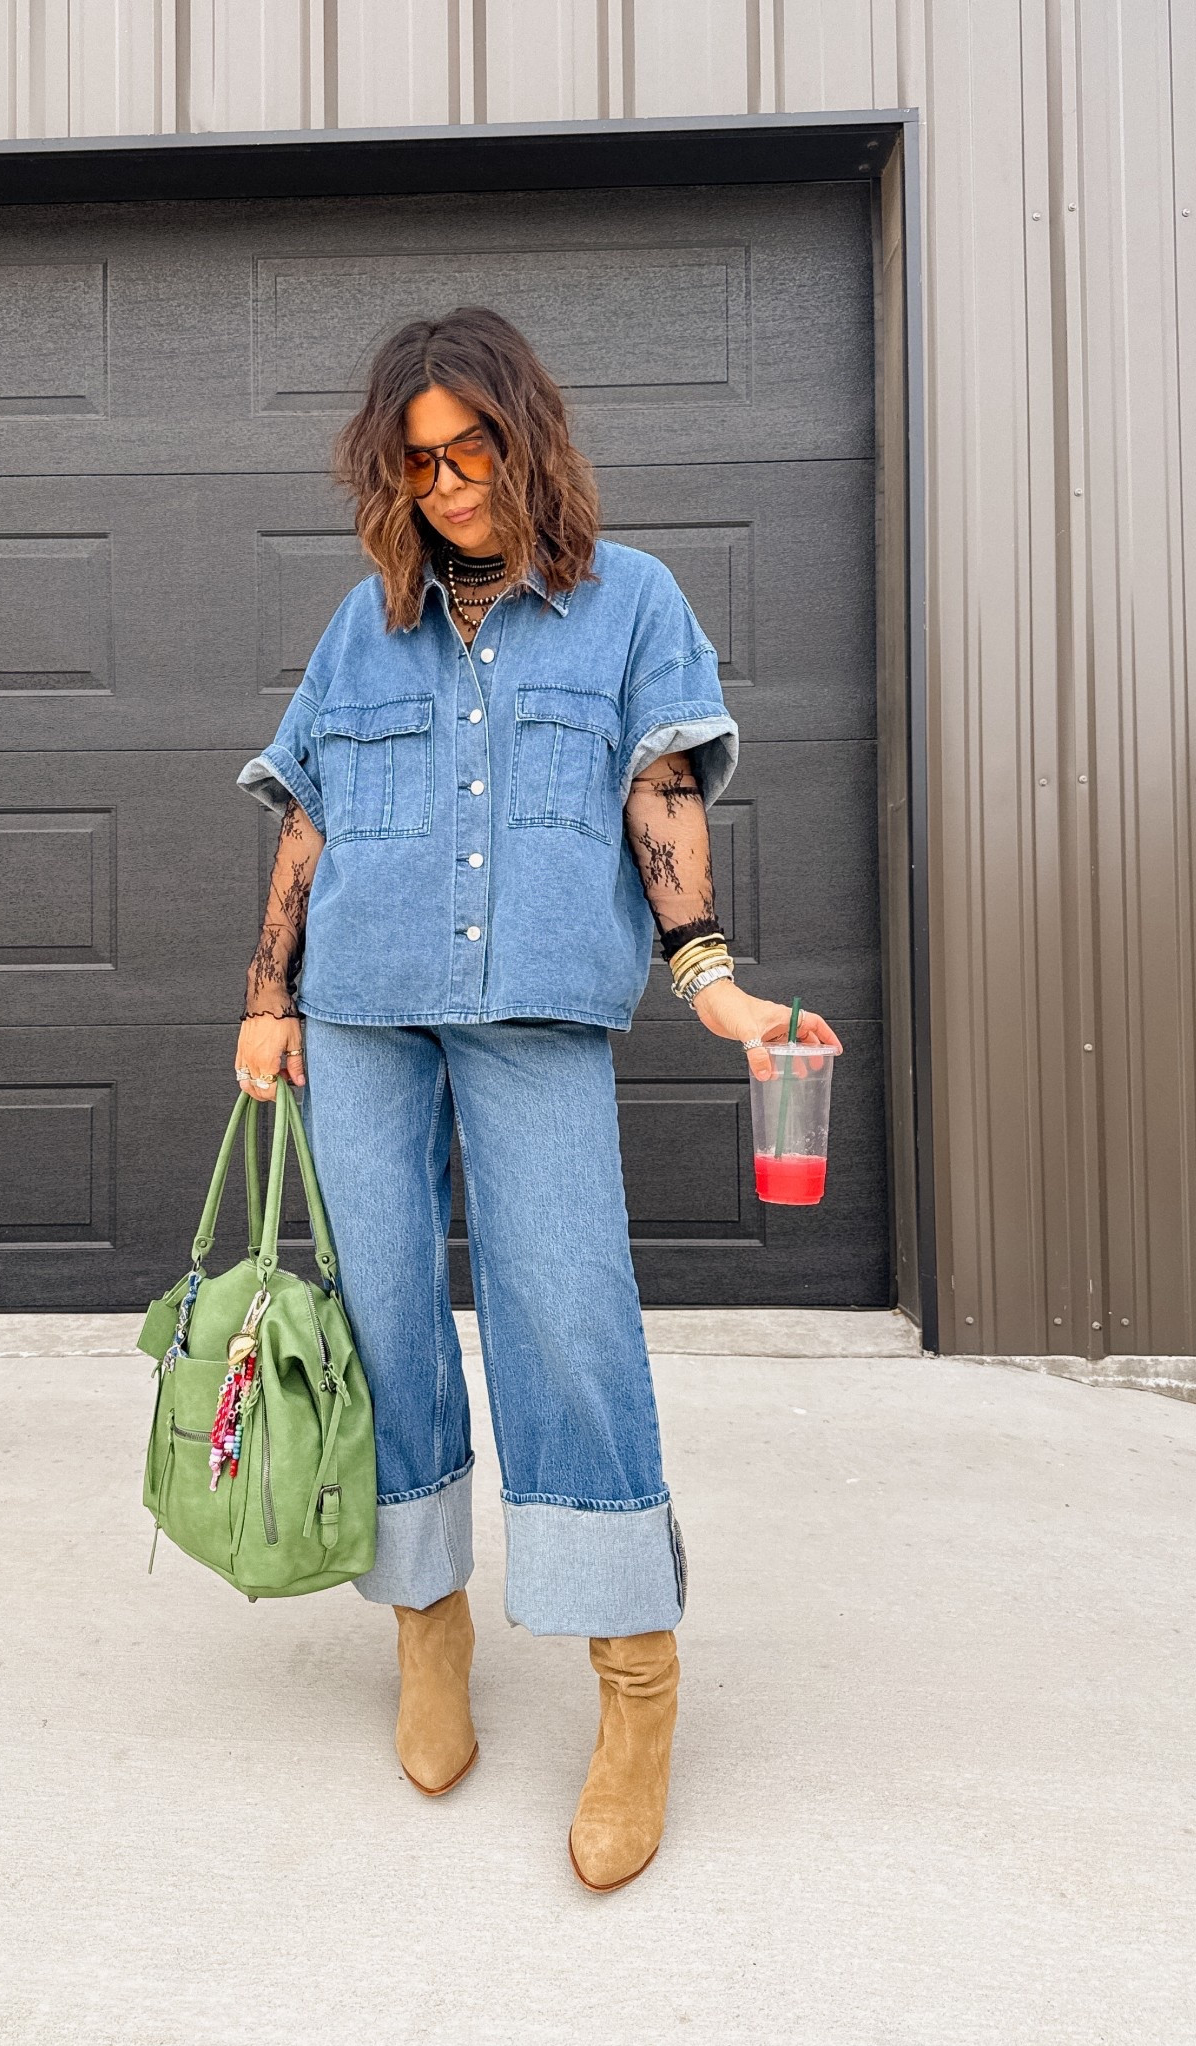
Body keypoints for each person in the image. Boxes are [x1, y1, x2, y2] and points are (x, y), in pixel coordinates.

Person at [235, 306, 840, 1892]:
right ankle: (426, 1632)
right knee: (382, 1319)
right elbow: (307, 826)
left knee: (567, 1319)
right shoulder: (366, 627)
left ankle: (633, 1686)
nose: (446, 486)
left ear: (524, 436)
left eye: (469, 450)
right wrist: (263, 1003)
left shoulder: (628, 601)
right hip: (361, 1012)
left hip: (538, 1014)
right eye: (416, 461)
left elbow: (662, 793)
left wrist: (709, 974)